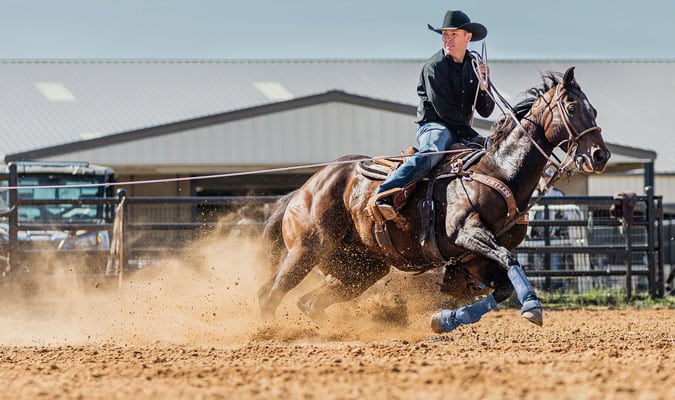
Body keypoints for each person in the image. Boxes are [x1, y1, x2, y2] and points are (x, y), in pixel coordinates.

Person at [373, 10, 495, 220]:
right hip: (435, 125)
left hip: (460, 129)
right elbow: (443, 110)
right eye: (444, 34)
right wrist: (474, 136)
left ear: (468, 37)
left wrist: (484, 87)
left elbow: (486, 110)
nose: (447, 39)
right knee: (433, 150)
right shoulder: (434, 67)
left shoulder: (474, 66)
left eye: (453, 34)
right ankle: (385, 192)